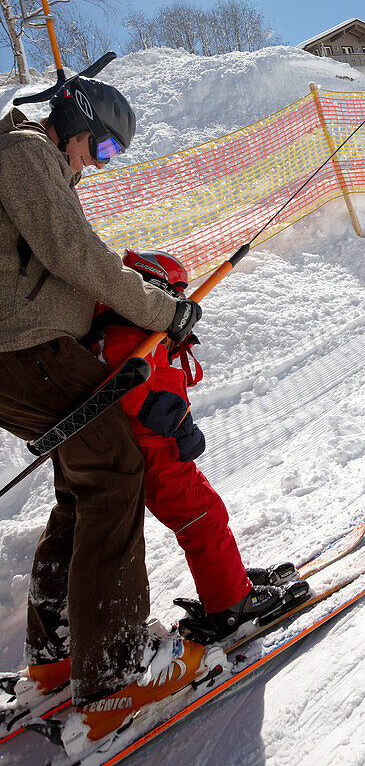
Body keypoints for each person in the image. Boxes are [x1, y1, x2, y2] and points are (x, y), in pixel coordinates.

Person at [0, 73, 206, 742]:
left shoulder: (29, 159)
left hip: (24, 349)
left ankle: (59, 652)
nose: (98, 163)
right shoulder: (26, 153)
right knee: (116, 473)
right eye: (104, 148)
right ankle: (112, 676)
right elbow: (76, 256)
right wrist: (161, 310)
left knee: (81, 484)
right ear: (75, 123)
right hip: (24, 349)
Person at [87, 247, 307, 652]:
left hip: (158, 452)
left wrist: (173, 342)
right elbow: (135, 394)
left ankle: (228, 581)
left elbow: (155, 370)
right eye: (174, 294)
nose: (177, 304)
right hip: (155, 456)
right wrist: (179, 422)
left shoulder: (130, 329)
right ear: (151, 287)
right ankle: (230, 604)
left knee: (204, 515)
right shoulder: (125, 337)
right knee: (202, 519)